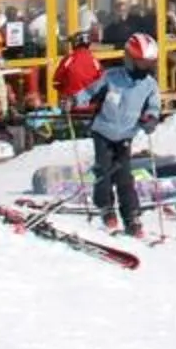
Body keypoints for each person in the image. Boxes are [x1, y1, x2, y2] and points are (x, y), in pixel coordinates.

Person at [68, 33, 162, 239]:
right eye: (141, 63)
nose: (146, 68)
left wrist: (151, 119)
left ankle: (131, 217)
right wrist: (74, 100)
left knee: (124, 177)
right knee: (103, 171)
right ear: (129, 60)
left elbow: (154, 106)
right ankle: (105, 207)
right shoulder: (112, 77)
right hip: (103, 131)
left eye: (149, 64)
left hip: (126, 135)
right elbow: (89, 92)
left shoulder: (149, 85)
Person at [53, 25, 103, 122]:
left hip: (71, 105)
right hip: (90, 106)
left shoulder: (69, 59)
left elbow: (56, 81)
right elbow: (102, 80)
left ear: (75, 43)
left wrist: (65, 91)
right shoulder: (94, 60)